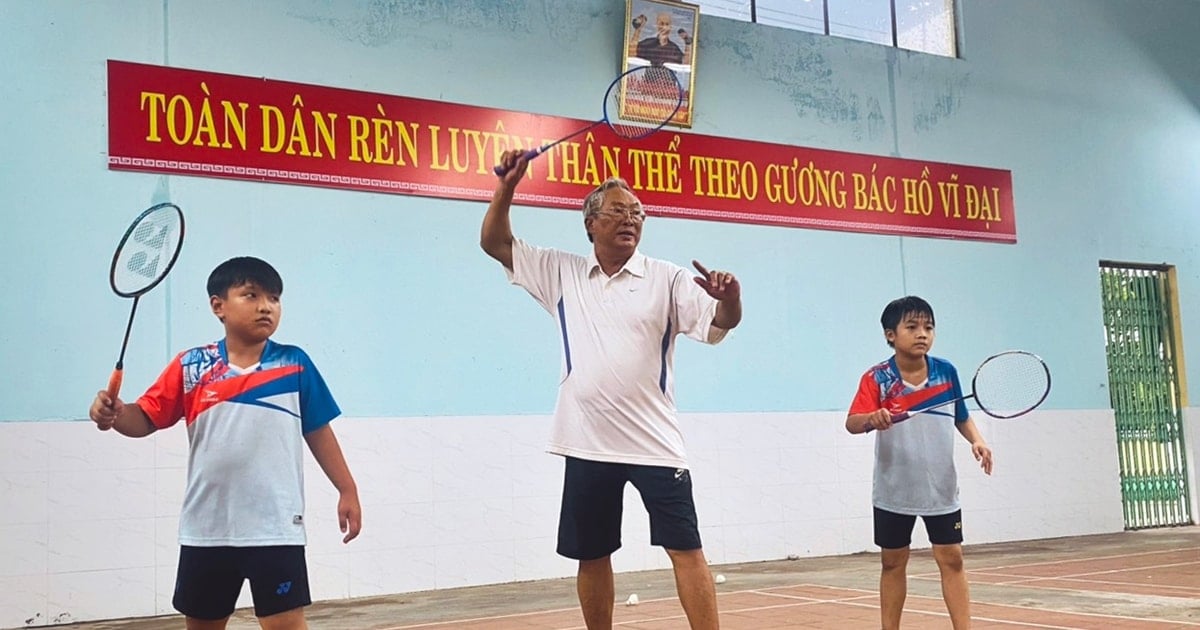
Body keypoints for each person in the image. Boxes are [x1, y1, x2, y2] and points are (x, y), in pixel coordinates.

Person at [481, 150, 741, 630]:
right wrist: (507, 187)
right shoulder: (561, 272)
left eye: (637, 213)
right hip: (586, 443)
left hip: (655, 445)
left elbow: (718, 323)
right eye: (618, 211)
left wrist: (731, 300)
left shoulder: (668, 277)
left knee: (687, 549)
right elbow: (495, 243)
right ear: (590, 224)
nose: (630, 219)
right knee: (592, 554)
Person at [88, 256, 362, 630]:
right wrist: (115, 414)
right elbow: (145, 419)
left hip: (275, 526)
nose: (266, 306)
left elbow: (318, 430)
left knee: (284, 624)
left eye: (274, 298)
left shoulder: (294, 363)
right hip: (206, 528)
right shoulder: (192, 366)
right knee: (203, 624)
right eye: (250, 295)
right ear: (218, 305)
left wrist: (346, 489)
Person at [844, 295, 993, 630]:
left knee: (952, 559)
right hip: (894, 489)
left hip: (940, 488)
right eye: (912, 327)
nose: (922, 334)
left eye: (928, 327)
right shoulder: (877, 378)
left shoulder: (946, 372)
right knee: (893, 562)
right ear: (890, 335)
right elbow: (852, 422)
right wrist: (873, 418)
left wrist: (978, 440)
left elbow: (961, 416)